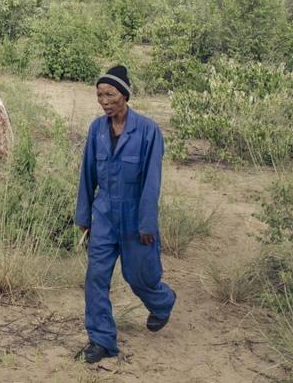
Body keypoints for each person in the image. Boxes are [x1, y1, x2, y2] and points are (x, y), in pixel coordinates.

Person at [75, 65, 176, 364]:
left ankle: (162, 302)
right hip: (104, 214)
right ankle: (101, 340)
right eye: (100, 95)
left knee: (138, 276)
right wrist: (85, 217)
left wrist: (147, 223)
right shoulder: (96, 130)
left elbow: (151, 181)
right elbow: (87, 175)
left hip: (135, 216)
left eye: (111, 94)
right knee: (95, 277)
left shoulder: (147, 131)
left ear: (125, 95)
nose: (104, 101)